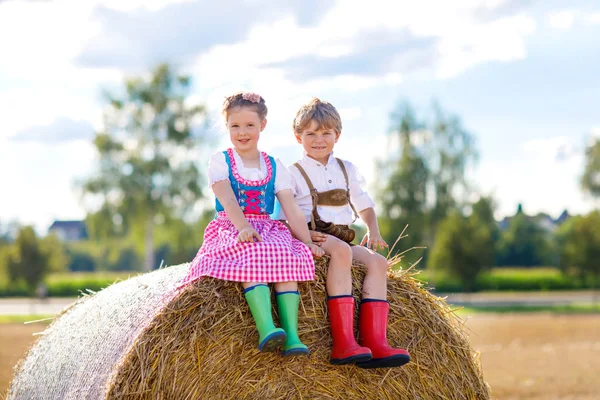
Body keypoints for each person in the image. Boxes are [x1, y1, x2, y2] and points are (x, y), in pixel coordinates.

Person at [182, 91, 324, 356]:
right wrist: (243, 227)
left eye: (249, 125)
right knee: (250, 251)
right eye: (235, 126)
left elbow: (290, 208)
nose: (242, 132)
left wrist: (305, 242)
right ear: (226, 127)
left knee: (286, 255)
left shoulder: (274, 165)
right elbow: (227, 199)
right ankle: (266, 328)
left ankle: (292, 335)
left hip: (266, 226)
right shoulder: (220, 161)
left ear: (262, 125)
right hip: (232, 226)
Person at [280, 97, 411, 368]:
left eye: (326, 133)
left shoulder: (346, 169)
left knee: (377, 262)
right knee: (341, 252)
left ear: (336, 135)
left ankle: (375, 342)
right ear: (298, 137)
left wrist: (373, 230)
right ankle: (343, 343)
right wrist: (303, 238)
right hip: (313, 237)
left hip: (342, 236)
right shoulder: (292, 173)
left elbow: (365, 205)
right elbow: (285, 215)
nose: (319, 139)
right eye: (311, 134)